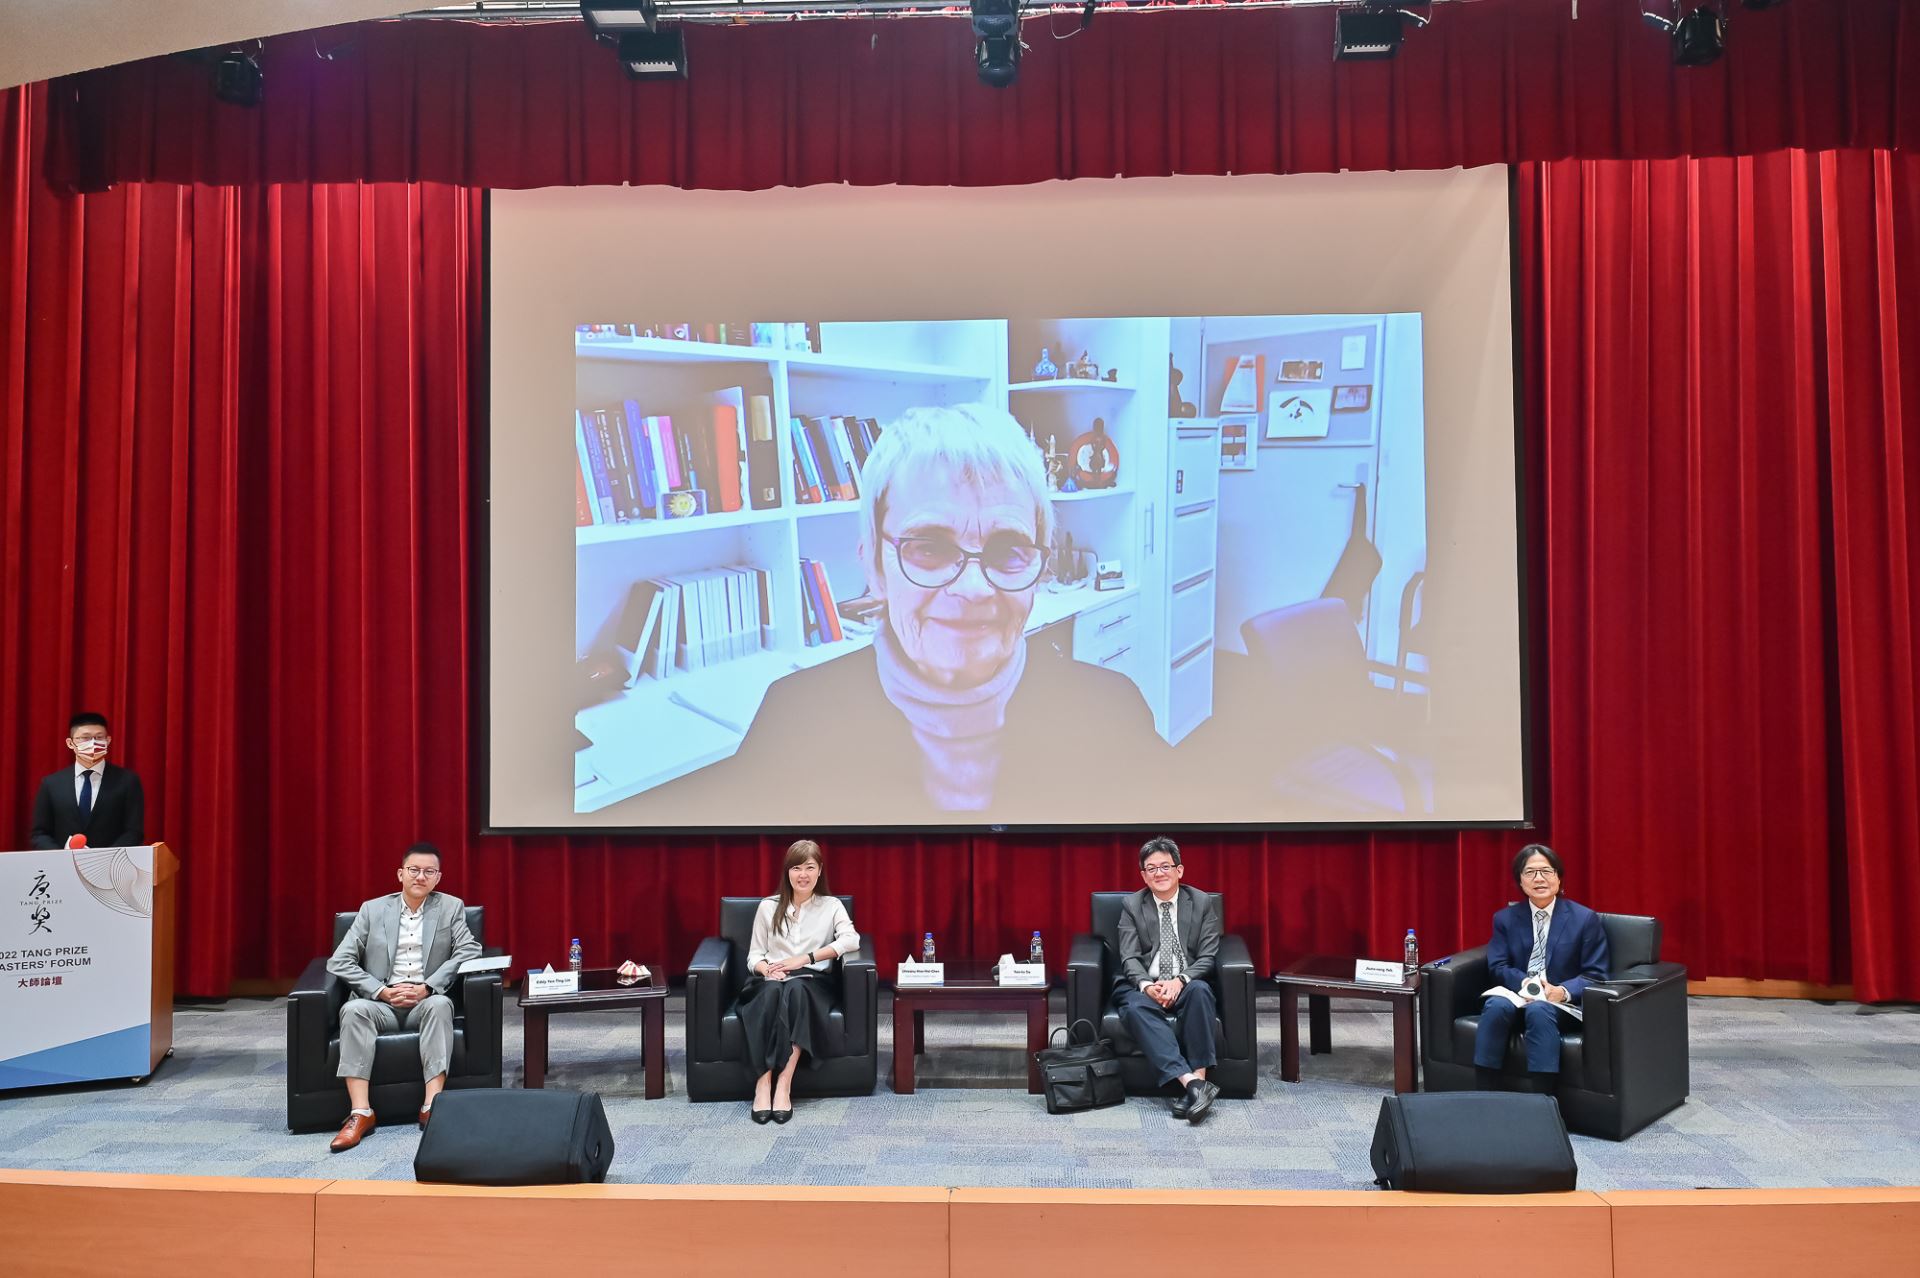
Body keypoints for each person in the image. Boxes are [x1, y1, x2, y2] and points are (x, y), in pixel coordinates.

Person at [687, 403, 1167, 822]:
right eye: (930, 548)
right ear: (875, 565)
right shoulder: (791, 726)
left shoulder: (1114, 715)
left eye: (1008, 550)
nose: (974, 588)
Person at [323, 843, 480, 1152]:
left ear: (438, 878)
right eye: (414, 870)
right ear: (400, 874)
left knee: (440, 1005)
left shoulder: (451, 907)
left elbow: (470, 949)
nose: (420, 877)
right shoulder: (373, 909)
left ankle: (432, 1106)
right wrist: (381, 991)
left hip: (425, 1001)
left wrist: (429, 986)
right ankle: (360, 1113)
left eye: (428, 872)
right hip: (380, 1002)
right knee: (353, 1009)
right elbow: (339, 961)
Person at [736, 838, 859, 1124]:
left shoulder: (831, 906)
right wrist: (767, 969)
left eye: (809, 867)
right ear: (787, 872)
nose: (802, 874)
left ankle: (785, 1082)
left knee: (796, 990)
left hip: (811, 982)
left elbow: (851, 940)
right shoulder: (768, 907)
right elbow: (754, 955)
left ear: (819, 871)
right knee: (771, 994)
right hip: (770, 980)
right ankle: (763, 1082)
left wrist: (805, 959)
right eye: (796, 868)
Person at [1473, 843, 1611, 1091]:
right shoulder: (1505, 919)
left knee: (1539, 1011)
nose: (1539, 879)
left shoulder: (1584, 919)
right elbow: (1498, 965)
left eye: (1546, 871)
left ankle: (1543, 1100)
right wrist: (1524, 983)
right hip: (1519, 994)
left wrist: (1562, 991)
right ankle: (1484, 1092)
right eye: (1530, 872)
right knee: (1495, 1006)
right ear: (1521, 881)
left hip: (1560, 1002)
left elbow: (1596, 973)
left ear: (1558, 877)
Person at [1109, 836, 1222, 1123]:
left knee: (1201, 992)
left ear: (1179, 870)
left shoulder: (1200, 902)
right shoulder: (1132, 905)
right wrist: (1147, 985)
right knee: (1134, 1008)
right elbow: (1129, 957)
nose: (1159, 873)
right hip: (1144, 982)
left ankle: (1199, 1080)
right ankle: (1194, 1085)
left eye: (1165, 866)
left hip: (1185, 981)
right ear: (1143, 876)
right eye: (1151, 869)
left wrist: (1180, 980)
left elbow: (1207, 957)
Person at [28, 712, 145, 849]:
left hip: (111, 866)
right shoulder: (51, 784)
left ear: (108, 741)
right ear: (70, 743)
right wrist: (60, 856)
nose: (93, 743)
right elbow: (40, 833)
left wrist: (105, 859)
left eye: (99, 737)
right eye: (85, 738)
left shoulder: (127, 781)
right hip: (62, 865)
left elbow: (133, 831)